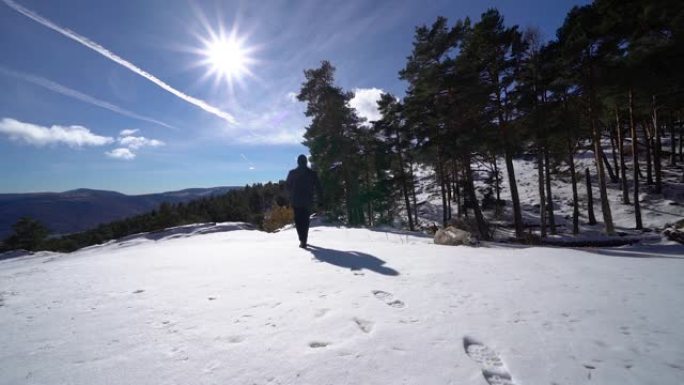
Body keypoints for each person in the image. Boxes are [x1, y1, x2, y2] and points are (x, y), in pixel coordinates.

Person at [286, 154, 323, 248]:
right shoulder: (312, 173)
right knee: (305, 220)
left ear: (298, 162)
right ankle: (303, 240)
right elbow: (318, 188)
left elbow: (287, 187)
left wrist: (289, 198)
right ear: (306, 162)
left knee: (298, 221)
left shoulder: (292, 173)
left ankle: (302, 239)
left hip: (296, 201)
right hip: (307, 201)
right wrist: (320, 200)